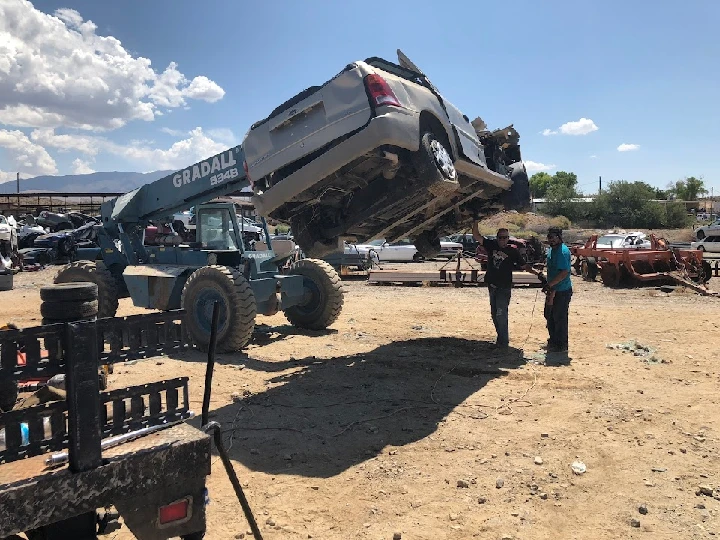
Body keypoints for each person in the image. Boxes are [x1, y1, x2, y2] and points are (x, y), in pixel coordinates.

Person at [472, 222, 523, 349]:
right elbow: (477, 236)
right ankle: (500, 339)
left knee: (501, 313)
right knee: (494, 313)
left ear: (508, 238)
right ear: (497, 238)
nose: (502, 240)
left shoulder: (512, 251)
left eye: (505, 237)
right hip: (492, 285)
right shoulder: (492, 245)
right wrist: (475, 221)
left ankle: (504, 342)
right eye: (500, 237)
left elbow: (523, 265)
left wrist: (537, 273)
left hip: (504, 287)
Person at [542, 227, 573, 352]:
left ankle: (561, 345)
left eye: (554, 237)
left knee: (559, 317)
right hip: (552, 288)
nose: (551, 239)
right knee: (549, 315)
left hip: (561, 290)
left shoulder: (562, 251)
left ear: (559, 237)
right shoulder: (551, 250)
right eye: (549, 237)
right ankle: (553, 340)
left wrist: (550, 284)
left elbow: (564, 272)